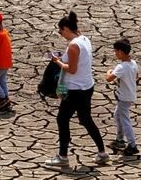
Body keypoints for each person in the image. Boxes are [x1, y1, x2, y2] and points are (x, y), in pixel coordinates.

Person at [46, 11, 108, 168]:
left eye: (61, 31)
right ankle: (102, 152)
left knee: (62, 119)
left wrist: (57, 61)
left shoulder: (73, 46)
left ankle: (62, 156)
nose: (61, 34)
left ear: (67, 28)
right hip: (87, 86)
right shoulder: (84, 39)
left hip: (75, 89)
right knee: (86, 119)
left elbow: (71, 69)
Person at [107, 38, 140, 158]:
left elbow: (109, 78)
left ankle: (132, 145)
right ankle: (119, 139)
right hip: (129, 95)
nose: (115, 54)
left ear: (121, 52)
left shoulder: (122, 67)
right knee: (118, 115)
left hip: (124, 98)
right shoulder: (133, 63)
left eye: (116, 51)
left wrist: (109, 71)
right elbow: (136, 76)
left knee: (125, 120)